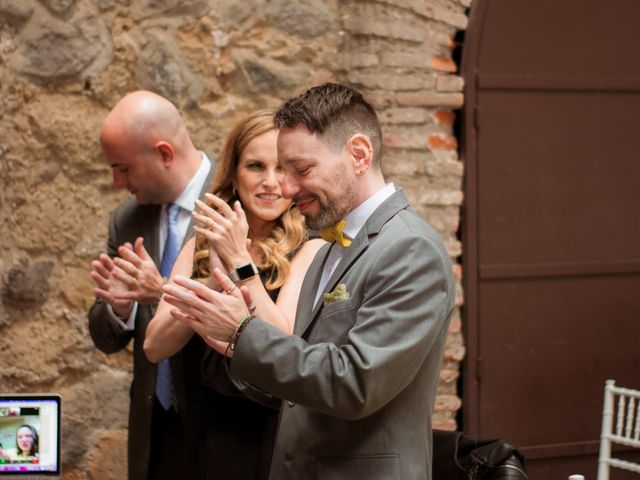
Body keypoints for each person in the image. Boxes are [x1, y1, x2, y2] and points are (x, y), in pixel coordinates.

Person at [162, 82, 456, 479]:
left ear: (359, 154)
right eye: (285, 172)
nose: (285, 188)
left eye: (301, 170)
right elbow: (298, 374)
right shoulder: (329, 246)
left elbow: (353, 383)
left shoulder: (410, 249)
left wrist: (242, 334)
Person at [143, 109, 323, 478]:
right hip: (197, 432)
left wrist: (241, 262)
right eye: (256, 166)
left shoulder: (310, 248)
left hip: (267, 435)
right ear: (234, 174)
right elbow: (154, 346)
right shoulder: (200, 247)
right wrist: (210, 282)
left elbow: (280, 338)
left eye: (282, 169)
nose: (271, 182)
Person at [88, 90, 216, 480]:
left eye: (123, 168)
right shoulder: (126, 221)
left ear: (163, 153)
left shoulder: (236, 199)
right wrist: (120, 309)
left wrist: (160, 289)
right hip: (154, 433)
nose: (116, 182)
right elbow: (104, 336)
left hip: (222, 429)